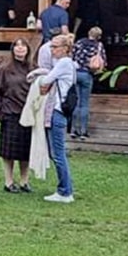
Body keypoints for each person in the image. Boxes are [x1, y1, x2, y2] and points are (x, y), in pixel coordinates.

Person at [36, 31, 79, 203]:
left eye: (54, 46)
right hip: (60, 112)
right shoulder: (68, 64)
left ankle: (65, 191)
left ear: (64, 48)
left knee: (58, 154)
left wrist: (37, 78)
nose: (51, 49)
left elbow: (46, 80)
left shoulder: (64, 63)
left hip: (57, 112)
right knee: (57, 153)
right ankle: (65, 188)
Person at [0, 40, 34, 192]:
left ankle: (24, 181)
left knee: (25, 150)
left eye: (23, 45)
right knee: (9, 151)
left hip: (28, 113)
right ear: (13, 49)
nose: (20, 48)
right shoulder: (5, 69)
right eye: (17, 45)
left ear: (27, 49)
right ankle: (8, 182)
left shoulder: (33, 68)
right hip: (10, 112)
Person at [68, 26, 105, 139]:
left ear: (89, 32)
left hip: (75, 73)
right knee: (84, 103)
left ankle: (73, 130)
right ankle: (83, 131)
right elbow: (103, 61)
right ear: (99, 36)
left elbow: (72, 56)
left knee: (76, 101)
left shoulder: (79, 43)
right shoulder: (98, 46)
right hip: (87, 74)